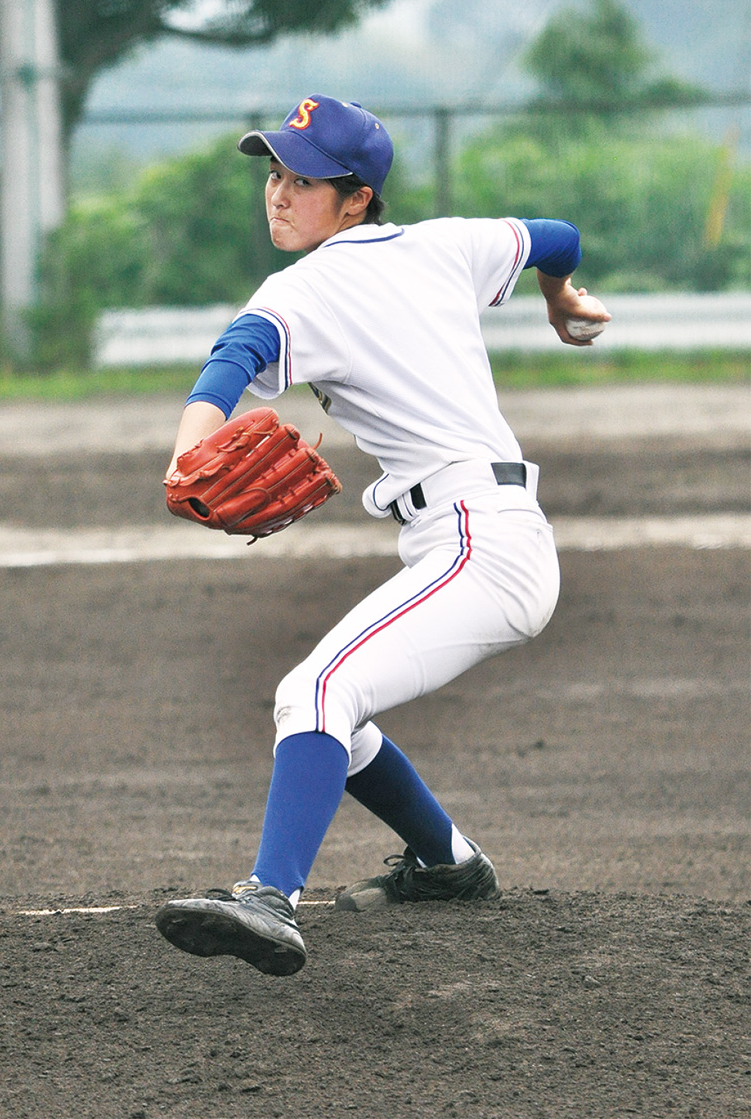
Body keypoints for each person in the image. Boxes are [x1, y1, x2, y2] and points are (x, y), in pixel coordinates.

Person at [155, 94, 611, 976]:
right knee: (339, 713)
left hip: (480, 543)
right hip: (484, 533)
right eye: (275, 174)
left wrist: (184, 453)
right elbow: (557, 234)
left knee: (314, 693)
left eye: (306, 180)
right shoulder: (446, 243)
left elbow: (234, 359)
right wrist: (559, 299)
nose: (280, 194)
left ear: (358, 197)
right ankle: (448, 863)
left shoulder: (306, 289)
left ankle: (269, 898)